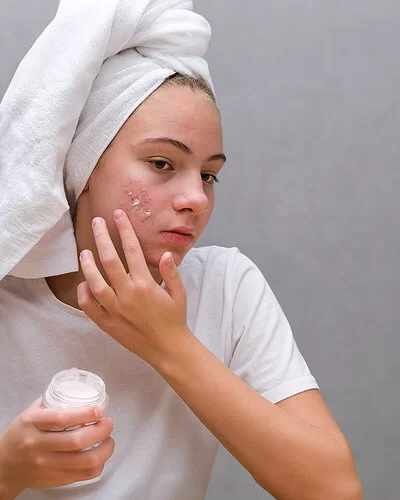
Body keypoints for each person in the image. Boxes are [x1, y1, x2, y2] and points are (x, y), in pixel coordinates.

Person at [0, 2, 362, 499]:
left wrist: (168, 345)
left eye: (209, 174)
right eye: (162, 163)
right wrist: (7, 470)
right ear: (79, 167)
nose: (196, 198)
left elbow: (335, 490)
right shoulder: (6, 298)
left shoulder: (226, 288)